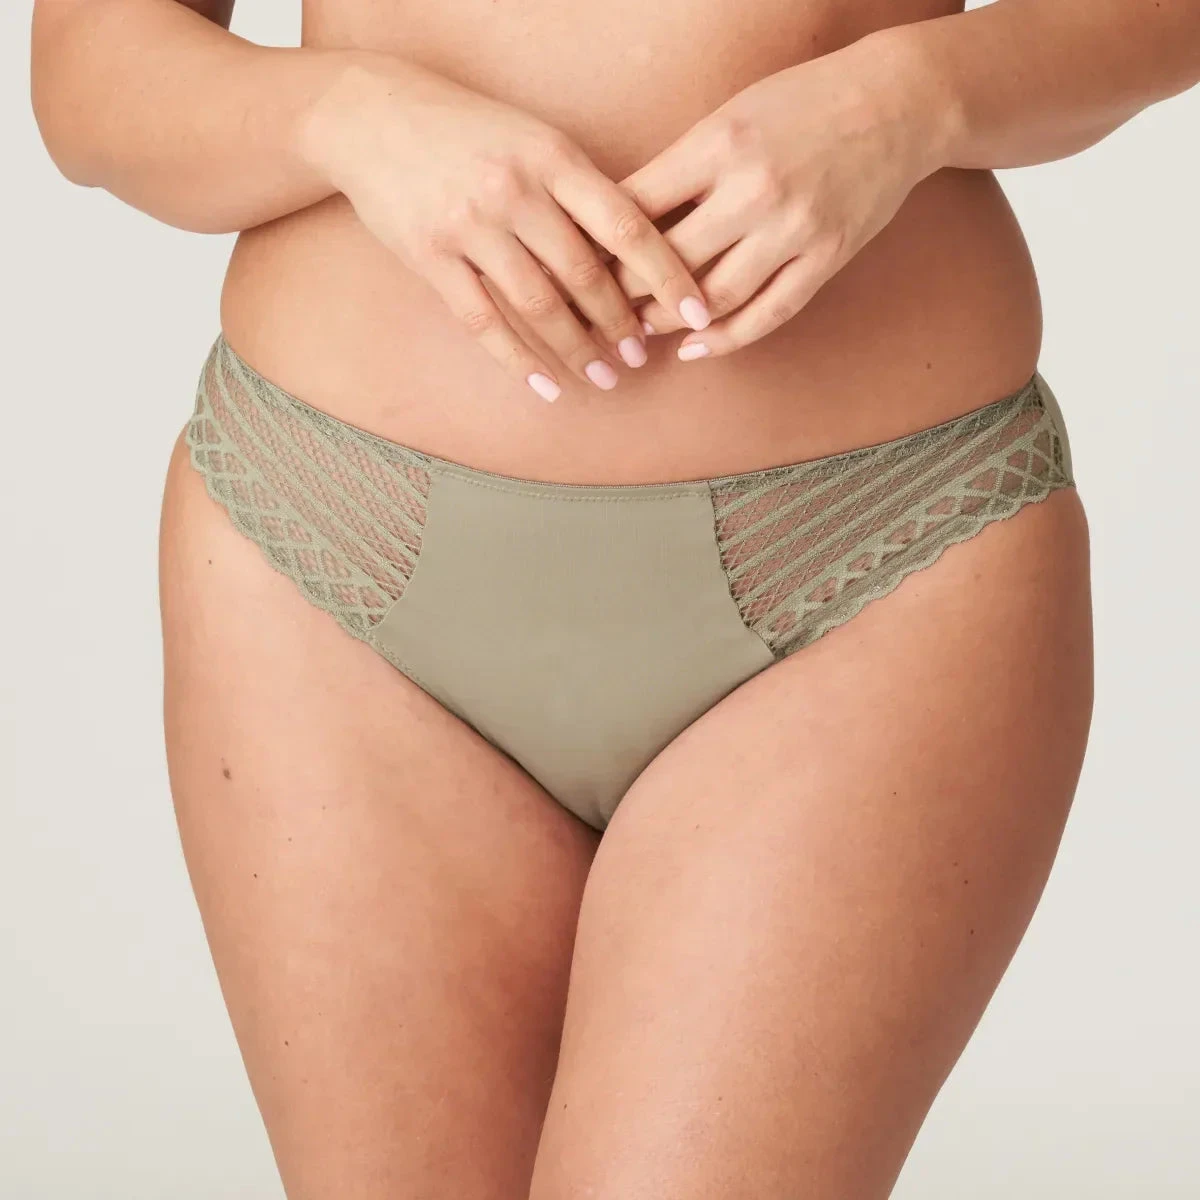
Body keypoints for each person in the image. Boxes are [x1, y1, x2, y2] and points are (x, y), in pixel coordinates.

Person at [29, 1, 1199, 1196]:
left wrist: (907, 98)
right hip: (336, 565)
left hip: (861, 570)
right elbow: (88, 71)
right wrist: (347, 118)